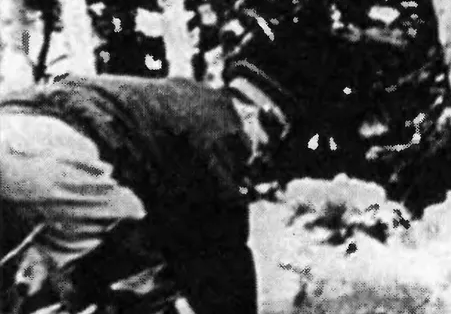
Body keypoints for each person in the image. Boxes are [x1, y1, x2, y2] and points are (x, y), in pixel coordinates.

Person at [0, 25, 318, 313]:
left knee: (32, 279)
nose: (261, 153)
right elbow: (218, 248)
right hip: (46, 151)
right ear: (258, 114)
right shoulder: (223, 127)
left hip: (16, 133)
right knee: (139, 272)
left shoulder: (172, 102)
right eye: (271, 136)